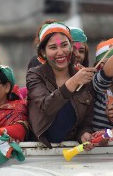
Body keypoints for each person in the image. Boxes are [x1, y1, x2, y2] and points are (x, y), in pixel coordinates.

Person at [26, 20, 96, 148]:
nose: (60, 52)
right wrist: (73, 81)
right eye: (53, 47)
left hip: (71, 151)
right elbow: (47, 107)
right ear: (43, 53)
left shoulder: (83, 76)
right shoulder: (35, 75)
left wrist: (84, 135)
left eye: (64, 45)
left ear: (71, 47)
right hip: (40, 151)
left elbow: (86, 121)